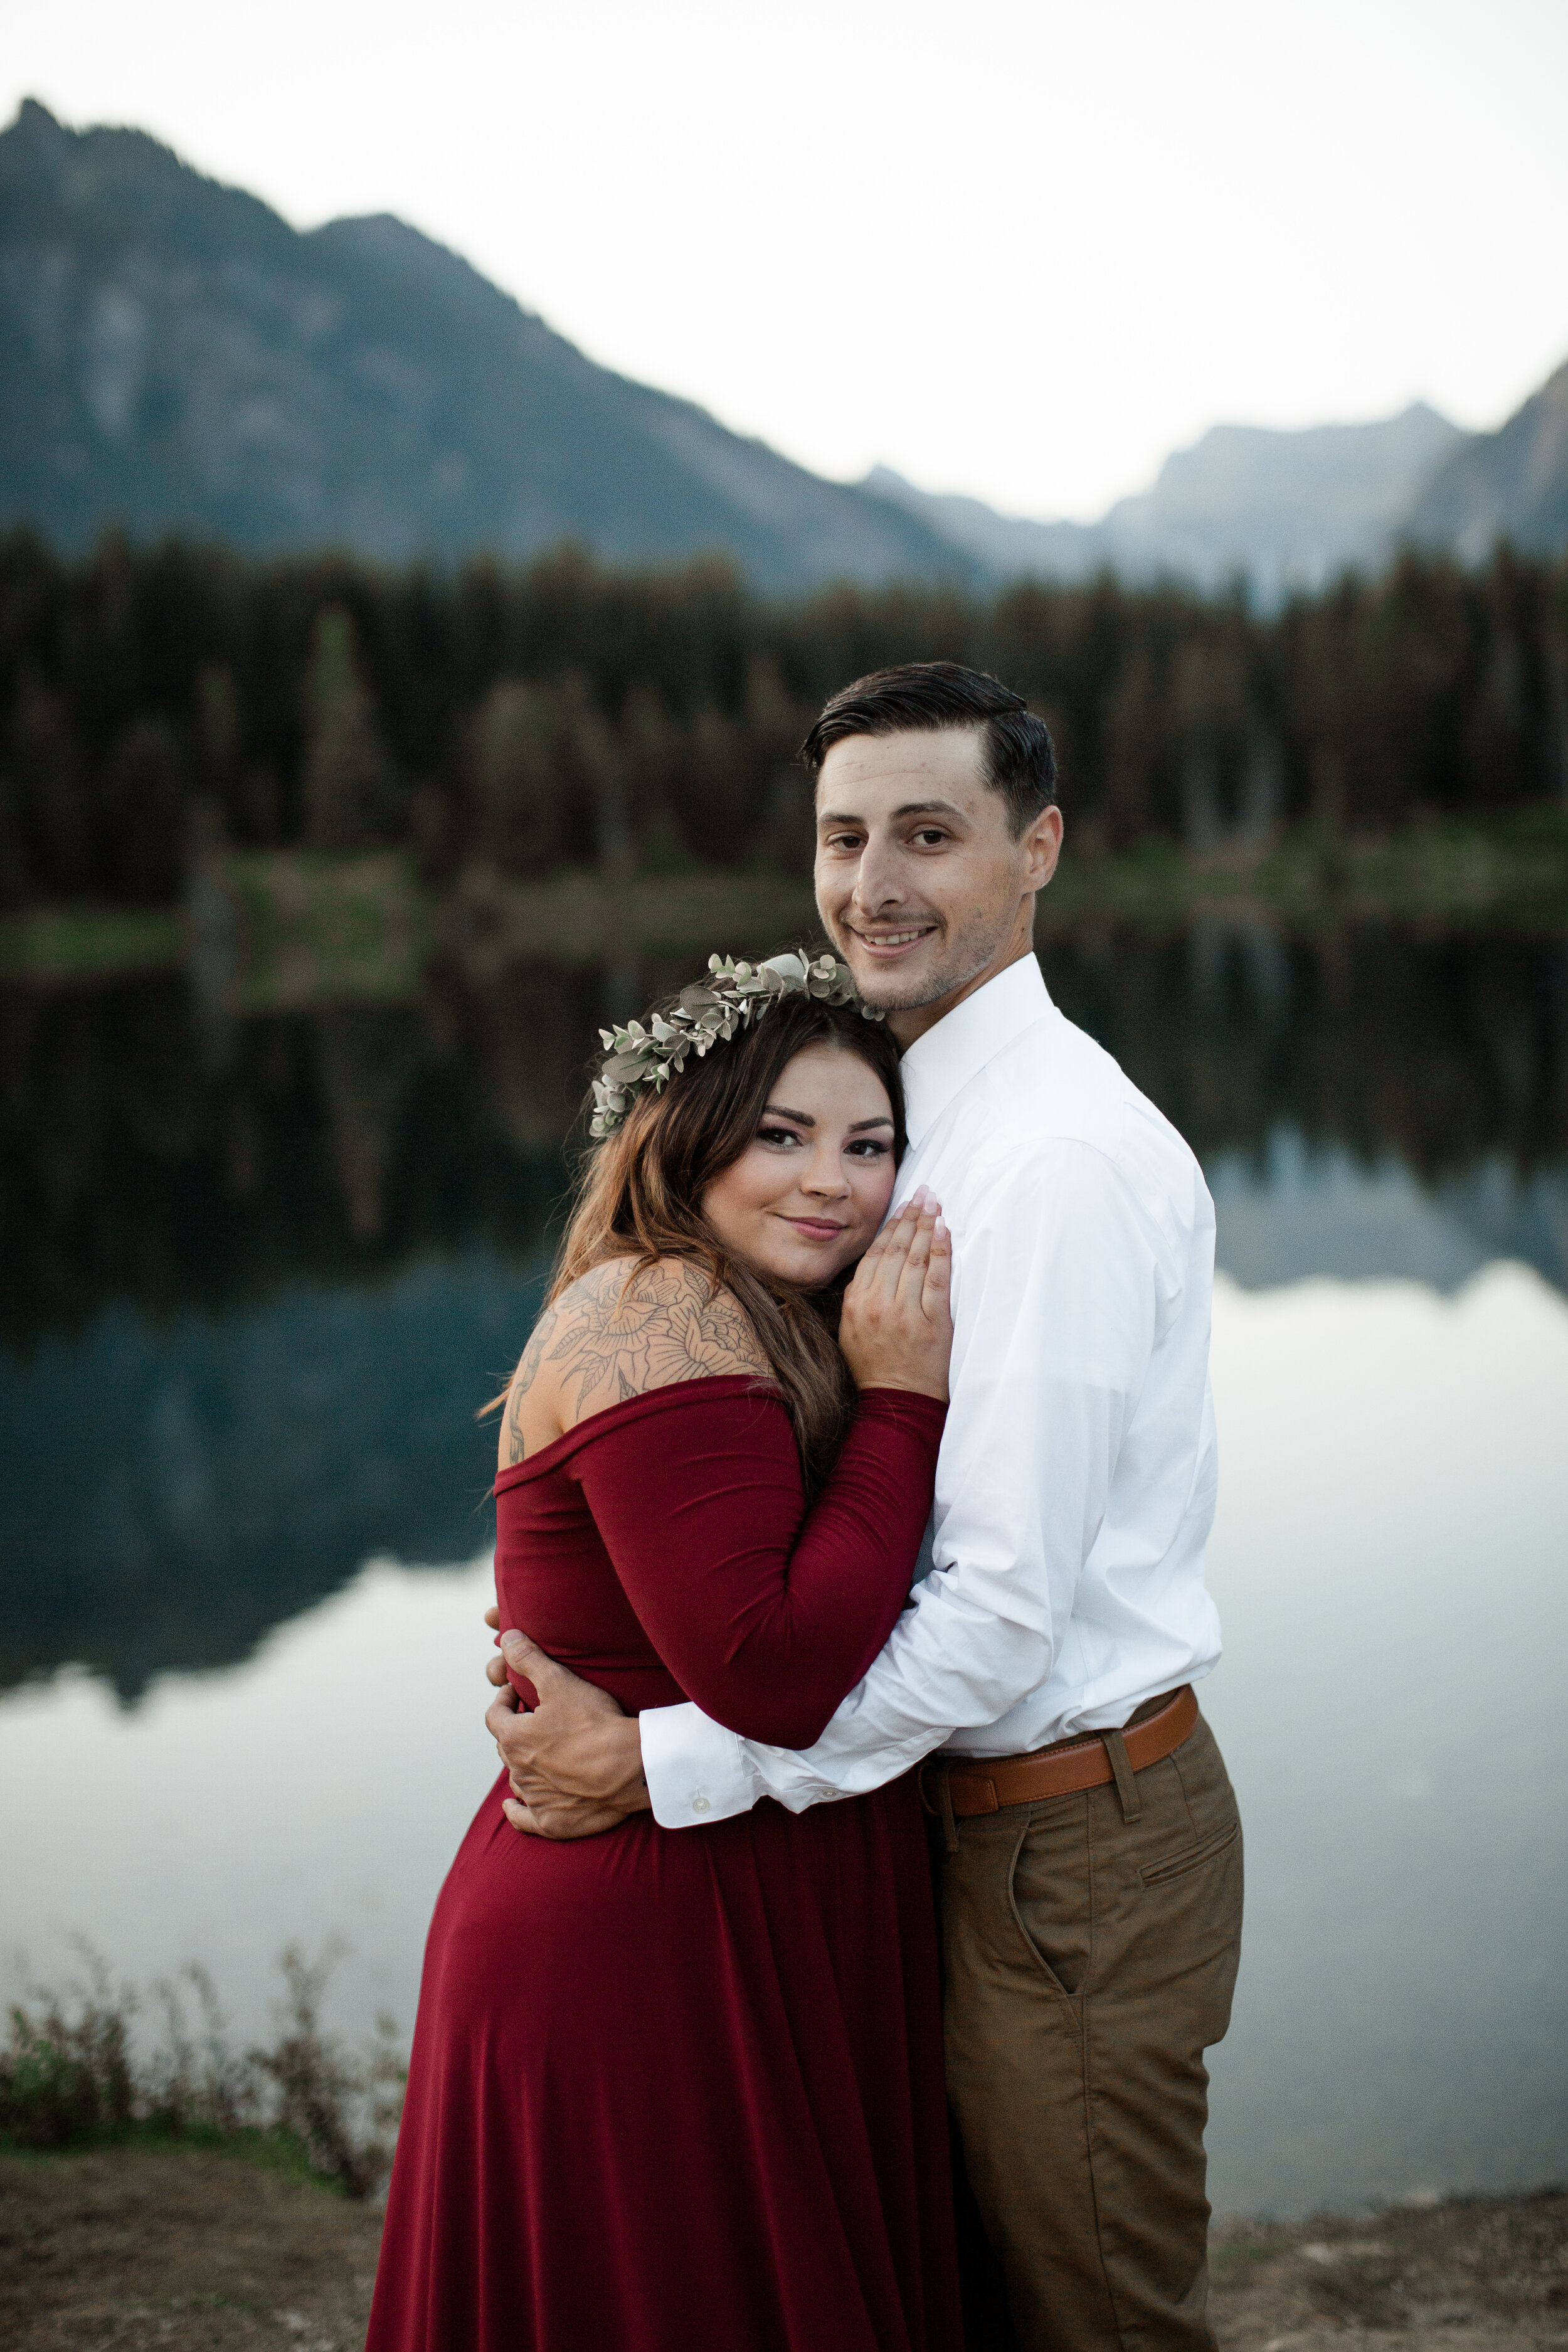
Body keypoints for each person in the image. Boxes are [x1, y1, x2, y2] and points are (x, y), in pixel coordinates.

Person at [488, 663, 1245, 2352]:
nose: (872, 884)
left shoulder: (1045, 1162)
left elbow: (991, 1615)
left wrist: (663, 1759)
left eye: (928, 832)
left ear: (1035, 847)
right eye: (842, 836)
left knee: (1094, 2315)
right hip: (937, 1826)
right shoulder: (889, 1117)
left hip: (1064, 1842)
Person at [366, 955, 964, 2352]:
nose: (831, 1181)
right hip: (646, 1938)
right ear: (682, 1137)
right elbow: (771, 1668)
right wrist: (903, 1402)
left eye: (868, 1145)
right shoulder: (659, 1316)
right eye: (782, 1136)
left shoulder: (753, 1308)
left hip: (739, 1891)